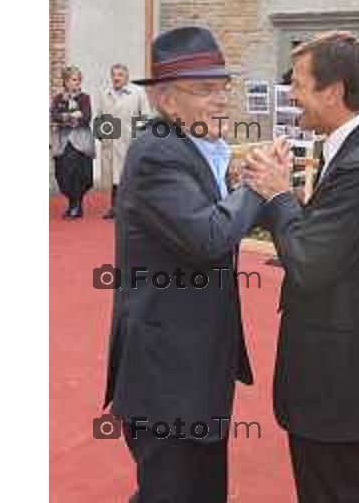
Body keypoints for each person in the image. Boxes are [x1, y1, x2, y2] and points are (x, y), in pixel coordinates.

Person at [243, 31, 359, 503]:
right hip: (340, 370)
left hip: (338, 378)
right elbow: (331, 238)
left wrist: (278, 193)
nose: (291, 96)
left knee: (336, 492)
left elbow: (309, 262)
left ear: (333, 91)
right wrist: (292, 197)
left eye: (297, 84)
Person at [103, 27, 267, 503]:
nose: (220, 101)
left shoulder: (191, 146)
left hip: (195, 367)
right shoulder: (156, 151)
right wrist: (258, 187)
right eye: (204, 90)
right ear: (167, 101)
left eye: (223, 88)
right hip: (167, 376)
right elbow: (208, 236)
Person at [95, 64, 153, 219]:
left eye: (120, 75)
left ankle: (131, 208)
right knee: (114, 177)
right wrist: (101, 134)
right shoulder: (105, 94)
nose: (116, 78)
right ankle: (114, 207)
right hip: (112, 141)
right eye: (114, 75)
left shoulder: (137, 92)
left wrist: (139, 138)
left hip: (129, 140)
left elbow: (145, 116)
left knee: (129, 175)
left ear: (126, 77)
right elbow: (100, 116)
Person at [50, 66, 95, 218]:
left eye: (78, 80)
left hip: (80, 141)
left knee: (78, 173)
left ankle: (76, 206)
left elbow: (86, 117)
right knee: (61, 174)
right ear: (66, 81)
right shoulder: (58, 98)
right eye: (73, 80)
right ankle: (72, 202)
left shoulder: (85, 98)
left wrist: (67, 118)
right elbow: (54, 115)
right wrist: (70, 117)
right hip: (62, 141)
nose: (77, 83)